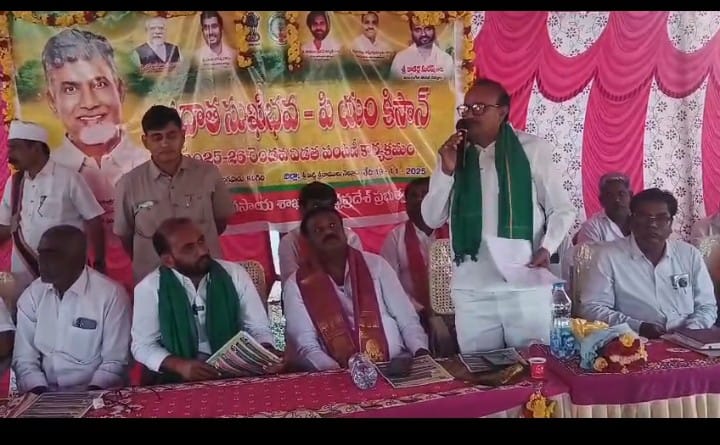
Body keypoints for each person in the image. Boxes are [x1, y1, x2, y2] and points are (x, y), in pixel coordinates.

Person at [421, 78, 576, 353]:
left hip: (525, 287)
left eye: (479, 108)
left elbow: (562, 209)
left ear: (502, 112)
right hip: (473, 290)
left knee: (533, 367)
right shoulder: (453, 154)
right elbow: (432, 219)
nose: (470, 115)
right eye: (466, 108)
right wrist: (446, 171)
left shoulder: (532, 149)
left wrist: (547, 247)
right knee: (482, 371)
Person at [42, 28, 150, 286]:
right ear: (52, 101)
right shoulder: (47, 174)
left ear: (120, 90)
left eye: (100, 84)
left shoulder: (151, 163)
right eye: (70, 88)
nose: (89, 103)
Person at [131, 218, 277, 383]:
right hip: (175, 378)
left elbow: (258, 328)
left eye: (201, 241)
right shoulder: (149, 288)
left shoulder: (235, 275)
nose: (202, 251)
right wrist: (180, 366)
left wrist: (266, 351)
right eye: (189, 248)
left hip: (234, 373)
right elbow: (142, 346)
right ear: (168, 260)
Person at [283, 207, 429, 371]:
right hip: (336, 374)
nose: (328, 232)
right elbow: (306, 345)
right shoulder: (297, 284)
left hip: (393, 368)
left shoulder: (377, 265)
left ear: (344, 231)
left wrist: (420, 351)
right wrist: (339, 373)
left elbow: (407, 319)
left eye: (332, 226)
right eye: (318, 230)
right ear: (308, 241)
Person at [114, 105, 235, 284]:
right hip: (154, 281)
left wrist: (194, 248)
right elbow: (125, 235)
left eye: (171, 136)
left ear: (183, 136)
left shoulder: (208, 174)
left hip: (205, 275)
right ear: (145, 141)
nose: (165, 143)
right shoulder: (128, 184)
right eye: (157, 137)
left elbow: (220, 222)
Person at [580, 188, 717, 338]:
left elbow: (707, 306)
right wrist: (637, 327)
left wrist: (688, 332)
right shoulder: (607, 256)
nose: (652, 224)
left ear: (670, 224)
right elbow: (591, 308)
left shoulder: (689, 255)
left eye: (661, 218)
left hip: (689, 341)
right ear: (631, 221)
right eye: (644, 217)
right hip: (633, 341)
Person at [12, 225, 132, 394]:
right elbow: (24, 359)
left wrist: (87, 397)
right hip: (43, 393)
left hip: (97, 394)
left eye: (52, 255)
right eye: (41, 254)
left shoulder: (111, 295)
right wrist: (41, 396)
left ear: (78, 259)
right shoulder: (32, 295)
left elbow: (116, 362)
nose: (42, 262)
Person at [0, 120, 106, 292]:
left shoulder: (68, 178)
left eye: (15, 148)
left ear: (36, 148)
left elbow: (93, 219)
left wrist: (99, 261)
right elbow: (5, 227)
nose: (9, 154)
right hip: (23, 274)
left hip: (64, 272)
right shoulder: (15, 183)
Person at [381, 177, 448, 313]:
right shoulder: (395, 238)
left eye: (425, 194)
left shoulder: (454, 233)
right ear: (406, 205)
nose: (419, 200)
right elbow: (389, 284)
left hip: (458, 310)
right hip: (413, 313)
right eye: (413, 196)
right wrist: (418, 310)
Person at [278, 181, 363, 284]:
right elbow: (291, 284)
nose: (322, 212)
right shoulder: (289, 242)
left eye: (328, 207)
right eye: (316, 207)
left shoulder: (350, 237)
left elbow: (360, 276)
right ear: (302, 209)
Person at [576, 172, 633, 244]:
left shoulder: (642, 221)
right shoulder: (591, 227)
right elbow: (586, 251)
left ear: (630, 196)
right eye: (610, 195)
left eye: (621, 194)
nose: (617, 200)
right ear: (601, 200)